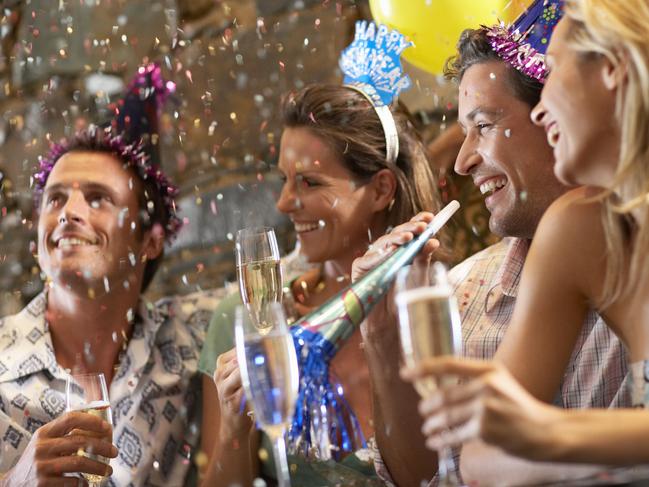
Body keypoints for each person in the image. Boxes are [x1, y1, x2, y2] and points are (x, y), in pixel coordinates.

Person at [351, 2, 630, 485]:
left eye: (481, 125)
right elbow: (445, 473)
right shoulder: (463, 290)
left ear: (612, 80)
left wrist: (551, 436)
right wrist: (380, 333)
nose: (460, 163)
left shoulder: (594, 230)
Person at [197, 82, 443, 486]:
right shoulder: (247, 320)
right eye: (284, 180)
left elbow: (426, 477)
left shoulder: (432, 311)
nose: (284, 202)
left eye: (310, 182)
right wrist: (233, 428)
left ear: (381, 189)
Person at [0, 64, 220, 486]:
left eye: (98, 198)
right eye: (56, 198)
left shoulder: (198, 337)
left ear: (150, 242)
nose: (69, 213)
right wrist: (15, 481)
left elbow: (292, 285)